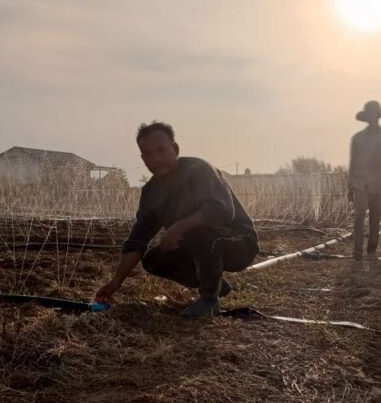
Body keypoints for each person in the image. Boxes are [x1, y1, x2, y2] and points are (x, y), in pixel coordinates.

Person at [94, 122, 259, 318]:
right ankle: (213, 282)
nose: (155, 158)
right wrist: (115, 283)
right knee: (153, 259)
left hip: (238, 242)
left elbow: (221, 211)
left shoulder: (198, 170)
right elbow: (137, 241)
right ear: (142, 158)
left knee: (200, 232)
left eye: (161, 150)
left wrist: (177, 227)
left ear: (175, 148)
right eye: (148, 154)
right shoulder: (151, 192)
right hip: (197, 244)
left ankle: (209, 300)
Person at [348, 100, 381, 259]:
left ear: (378, 116)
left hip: (379, 183)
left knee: (376, 216)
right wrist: (350, 186)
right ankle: (357, 250)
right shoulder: (357, 138)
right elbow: (352, 162)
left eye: (373, 115)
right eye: (368, 115)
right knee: (359, 215)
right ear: (366, 117)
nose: (371, 118)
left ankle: (371, 248)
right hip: (360, 183)